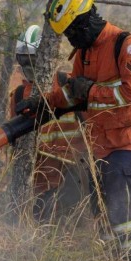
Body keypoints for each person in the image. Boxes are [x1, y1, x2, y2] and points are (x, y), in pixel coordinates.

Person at [15, 0, 131, 261]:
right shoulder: (85, 52)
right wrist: (44, 103)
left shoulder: (128, 47)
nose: (71, 40)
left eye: (72, 32)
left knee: (120, 196)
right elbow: (70, 91)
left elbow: (130, 94)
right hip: (100, 142)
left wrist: (88, 91)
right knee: (101, 204)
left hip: (128, 139)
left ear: (86, 21)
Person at [10, 25, 85, 222]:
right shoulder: (19, 96)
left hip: (73, 177)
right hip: (38, 184)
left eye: (33, 60)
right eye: (23, 60)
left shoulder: (68, 85)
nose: (28, 67)